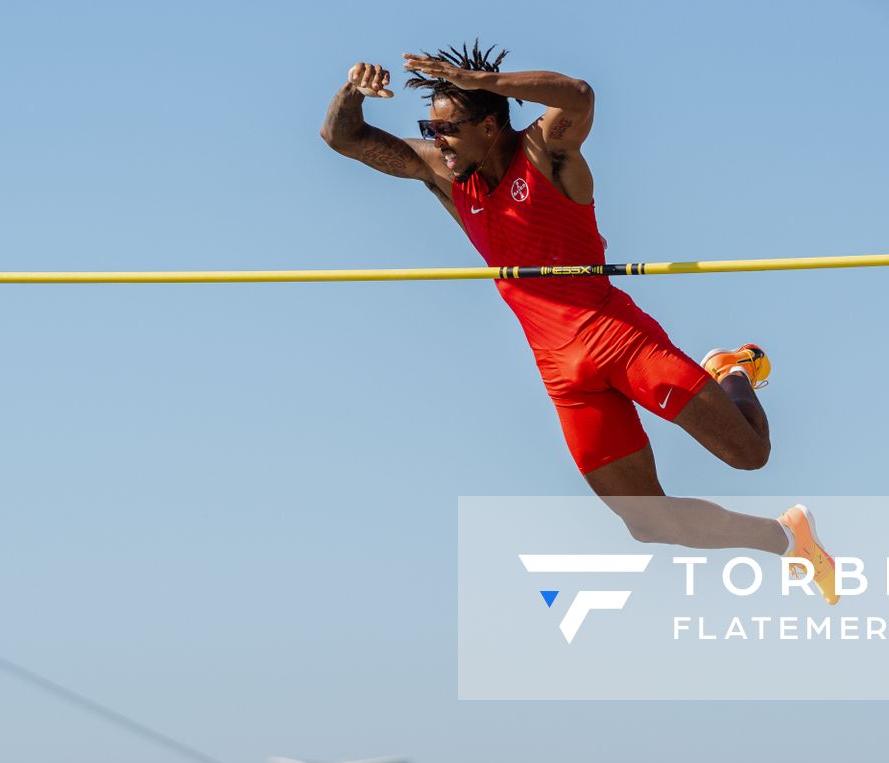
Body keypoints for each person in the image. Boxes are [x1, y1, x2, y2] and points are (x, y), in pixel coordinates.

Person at [319, 42, 838, 603]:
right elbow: (342, 138)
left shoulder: (547, 153)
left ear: (490, 127)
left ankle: (731, 370)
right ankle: (786, 539)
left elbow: (581, 95)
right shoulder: (446, 174)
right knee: (648, 523)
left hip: (618, 339)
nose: (434, 139)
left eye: (446, 128)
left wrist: (484, 80)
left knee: (750, 455)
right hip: (561, 372)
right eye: (429, 126)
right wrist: (352, 91)